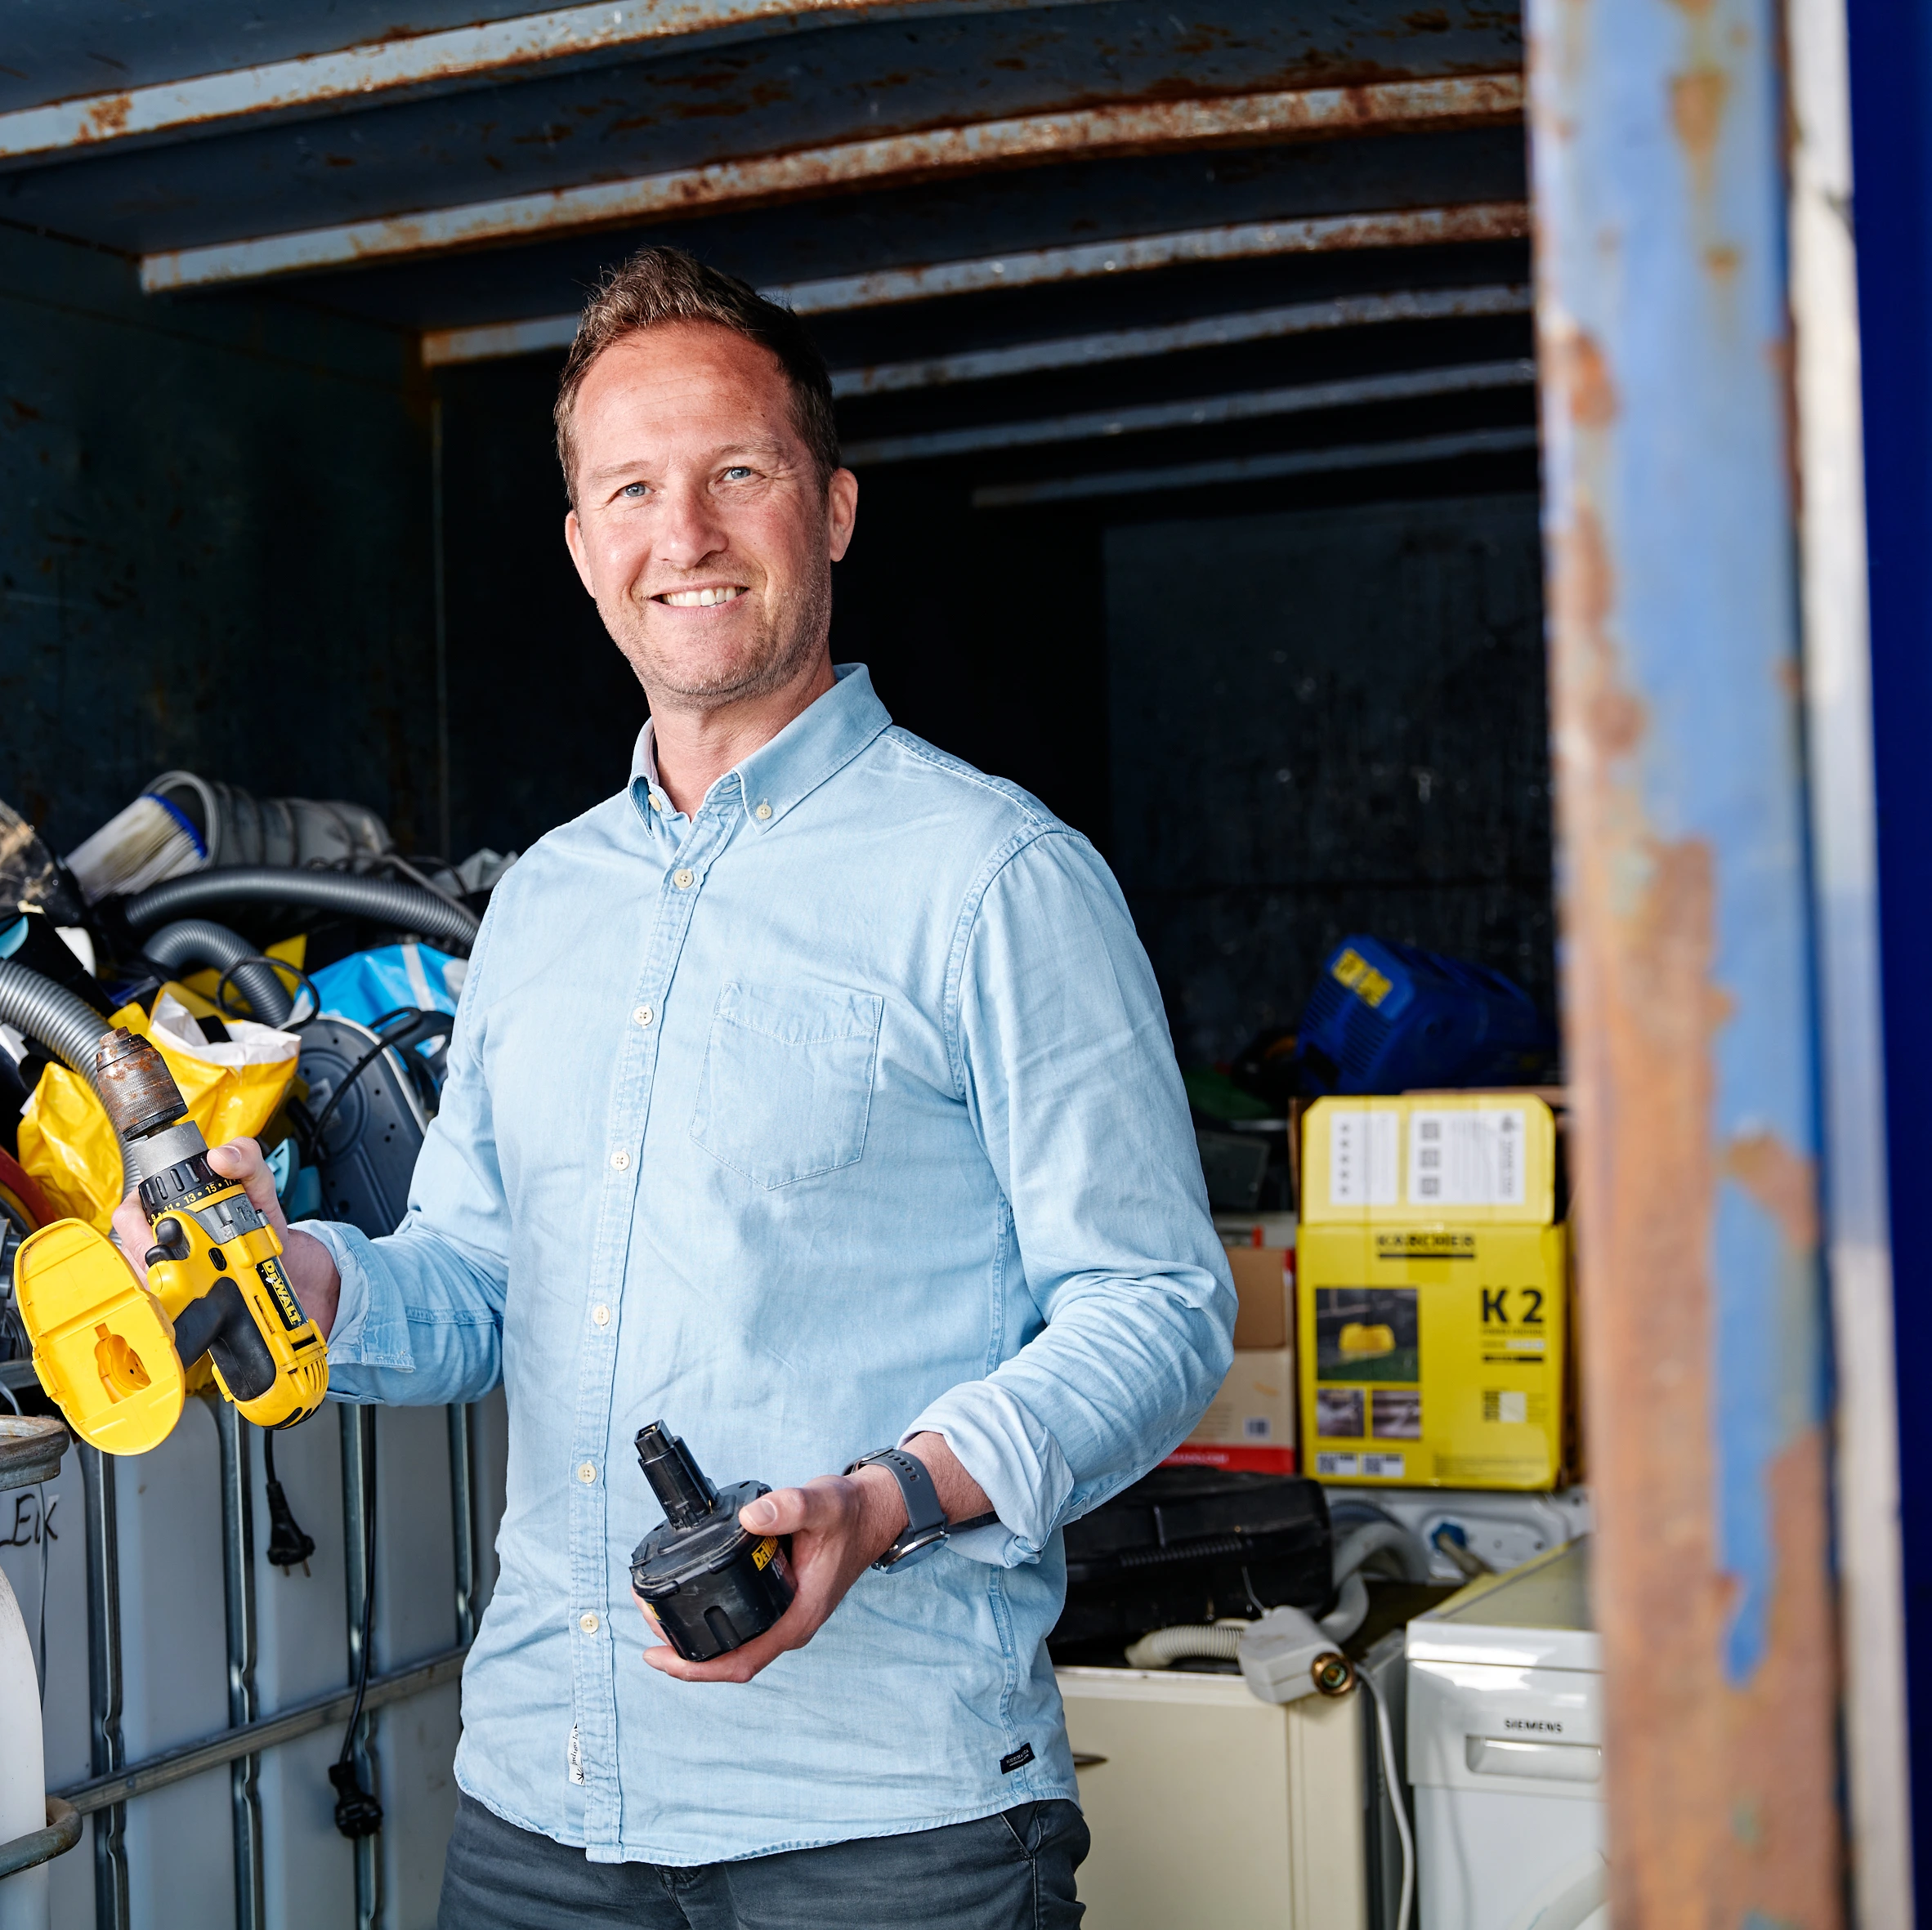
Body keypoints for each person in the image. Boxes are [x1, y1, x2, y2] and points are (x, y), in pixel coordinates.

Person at [118, 246, 1232, 1929]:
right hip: (546, 1807)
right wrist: (313, 1274)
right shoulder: (545, 904)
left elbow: (1154, 1303)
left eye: (737, 473)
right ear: (582, 548)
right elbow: (486, 1281)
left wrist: (890, 1494)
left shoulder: (993, 875)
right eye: (631, 488)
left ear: (834, 509)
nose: (685, 533)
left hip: (887, 1823)